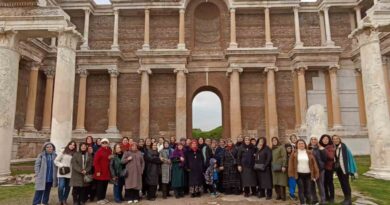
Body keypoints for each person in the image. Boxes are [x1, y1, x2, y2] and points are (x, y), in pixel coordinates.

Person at [288, 139, 320, 205]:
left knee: (308, 190)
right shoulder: (294, 153)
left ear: (304, 144)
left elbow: (314, 164)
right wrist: (291, 174)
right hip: (299, 174)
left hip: (308, 174)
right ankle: (303, 203)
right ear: (297, 145)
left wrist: (316, 173)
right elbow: (290, 164)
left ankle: (309, 202)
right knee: (301, 189)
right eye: (299, 143)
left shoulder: (309, 152)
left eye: (302, 143)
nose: (301, 145)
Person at [333, 135, 357, 205]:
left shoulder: (343, 147)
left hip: (344, 169)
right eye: (334, 139)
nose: (335, 140)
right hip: (339, 169)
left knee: (346, 184)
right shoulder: (335, 147)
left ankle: (348, 200)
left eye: (337, 139)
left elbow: (349, 158)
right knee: (342, 184)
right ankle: (345, 199)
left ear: (339, 139)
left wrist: (351, 169)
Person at [54, 141, 77, 205]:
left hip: (70, 173)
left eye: (74, 145)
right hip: (62, 172)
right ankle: (60, 200)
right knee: (61, 186)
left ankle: (64, 200)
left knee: (67, 187)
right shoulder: (63, 152)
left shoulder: (75, 153)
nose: (72, 146)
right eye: (71, 144)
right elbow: (56, 161)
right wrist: (62, 165)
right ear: (68, 145)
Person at [309, 136, 327, 205]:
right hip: (310, 170)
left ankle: (323, 200)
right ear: (310, 140)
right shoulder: (308, 148)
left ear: (317, 141)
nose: (313, 140)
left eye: (315, 139)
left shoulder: (321, 148)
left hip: (320, 170)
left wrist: (321, 166)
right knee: (311, 185)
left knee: (320, 185)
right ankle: (314, 199)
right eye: (312, 139)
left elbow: (325, 159)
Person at [93, 138, 111, 204]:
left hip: (106, 171)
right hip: (100, 171)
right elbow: (95, 162)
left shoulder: (108, 150)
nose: (104, 144)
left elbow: (109, 159)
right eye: (103, 143)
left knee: (105, 185)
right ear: (101, 144)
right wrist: (98, 171)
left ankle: (103, 197)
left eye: (106, 143)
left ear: (108, 143)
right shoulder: (99, 151)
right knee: (100, 186)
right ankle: (99, 199)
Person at [320, 134, 335, 203]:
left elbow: (331, 157)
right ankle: (326, 196)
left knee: (330, 183)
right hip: (322, 168)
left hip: (329, 168)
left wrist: (324, 149)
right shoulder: (319, 147)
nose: (325, 140)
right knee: (324, 183)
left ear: (329, 140)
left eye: (327, 139)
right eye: (324, 139)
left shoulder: (331, 147)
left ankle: (332, 197)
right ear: (321, 140)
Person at [271, 137, 288, 201]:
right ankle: (278, 195)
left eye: (275, 140)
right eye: (273, 140)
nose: (274, 141)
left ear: (277, 140)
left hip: (280, 167)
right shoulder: (272, 148)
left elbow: (284, 157)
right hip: (274, 167)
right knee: (276, 182)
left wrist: (284, 165)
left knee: (282, 182)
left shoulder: (281, 147)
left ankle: (283, 196)